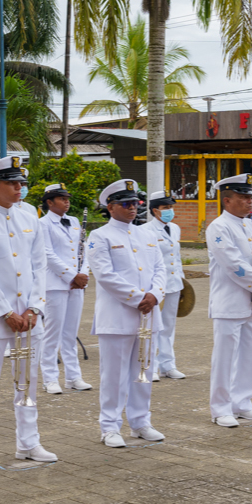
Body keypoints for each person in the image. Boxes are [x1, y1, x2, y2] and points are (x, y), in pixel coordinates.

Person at [0, 156, 57, 473]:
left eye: (21, 182)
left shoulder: (31, 218)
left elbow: (39, 266)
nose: (20, 188)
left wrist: (34, 307)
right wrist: (5, 311)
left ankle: (28, 443)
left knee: (28, 383)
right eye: (12, 183)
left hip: (30, 317)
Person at [86, 180, 167, 447]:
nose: (133, 207)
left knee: (143, 371)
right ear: (110, 207)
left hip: (148, 314)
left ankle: (141, 421)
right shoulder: (100, 236)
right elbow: (105, 275)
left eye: (135, 203)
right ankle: (109, 426)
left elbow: (160, 269)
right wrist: (138, 298)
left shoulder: (146, 234)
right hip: (118, 316)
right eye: (126, 203)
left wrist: (155, 294)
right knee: (114, 375)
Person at [206, 174, 252, 427]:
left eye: (250, 197)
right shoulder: (219, 227)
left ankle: (242, 402)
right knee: (225, 357)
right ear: (227, 200)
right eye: (244, 197)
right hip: (230, 301)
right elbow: (231, 263)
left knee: (250, 354)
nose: (250, 202)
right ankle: (221, 408)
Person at [39, 183, 93, 393]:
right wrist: (72, 276)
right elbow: (47, 254)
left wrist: (84, 273)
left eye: (67, 198)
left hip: (76, 284)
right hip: (56, 284)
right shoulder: (43, 224)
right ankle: (50, 378)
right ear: (50, 202)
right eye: (62, 198)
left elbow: (83, 249)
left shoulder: (74, 221)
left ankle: (73, 376)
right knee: (53, 332)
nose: (67, 201)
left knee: (70, 333)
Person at [146, 189, 186, 381]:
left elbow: (176, 258)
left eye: (171, 207)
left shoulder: (175, 228)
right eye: (165, 207)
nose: (169, 210)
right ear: (155, 210)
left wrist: (182, 281)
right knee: (153, 326)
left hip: (174, 283)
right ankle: (151, 366)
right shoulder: (145, 230)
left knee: (169, 326)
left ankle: (168, 365)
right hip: (156, 286)